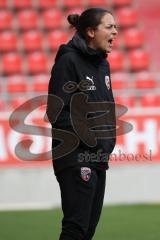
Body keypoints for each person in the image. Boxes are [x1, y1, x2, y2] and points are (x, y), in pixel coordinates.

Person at [47, 7, 118, 240]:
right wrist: (90, 141)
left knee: (87, 231)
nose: (115, 32)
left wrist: (104, 145)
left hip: (98, 157)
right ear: (90, 31)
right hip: (75, 155)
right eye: (109, 27)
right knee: (75, 229)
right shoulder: (68, 61)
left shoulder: (103, 65)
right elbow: (57, 112)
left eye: (115, 27)